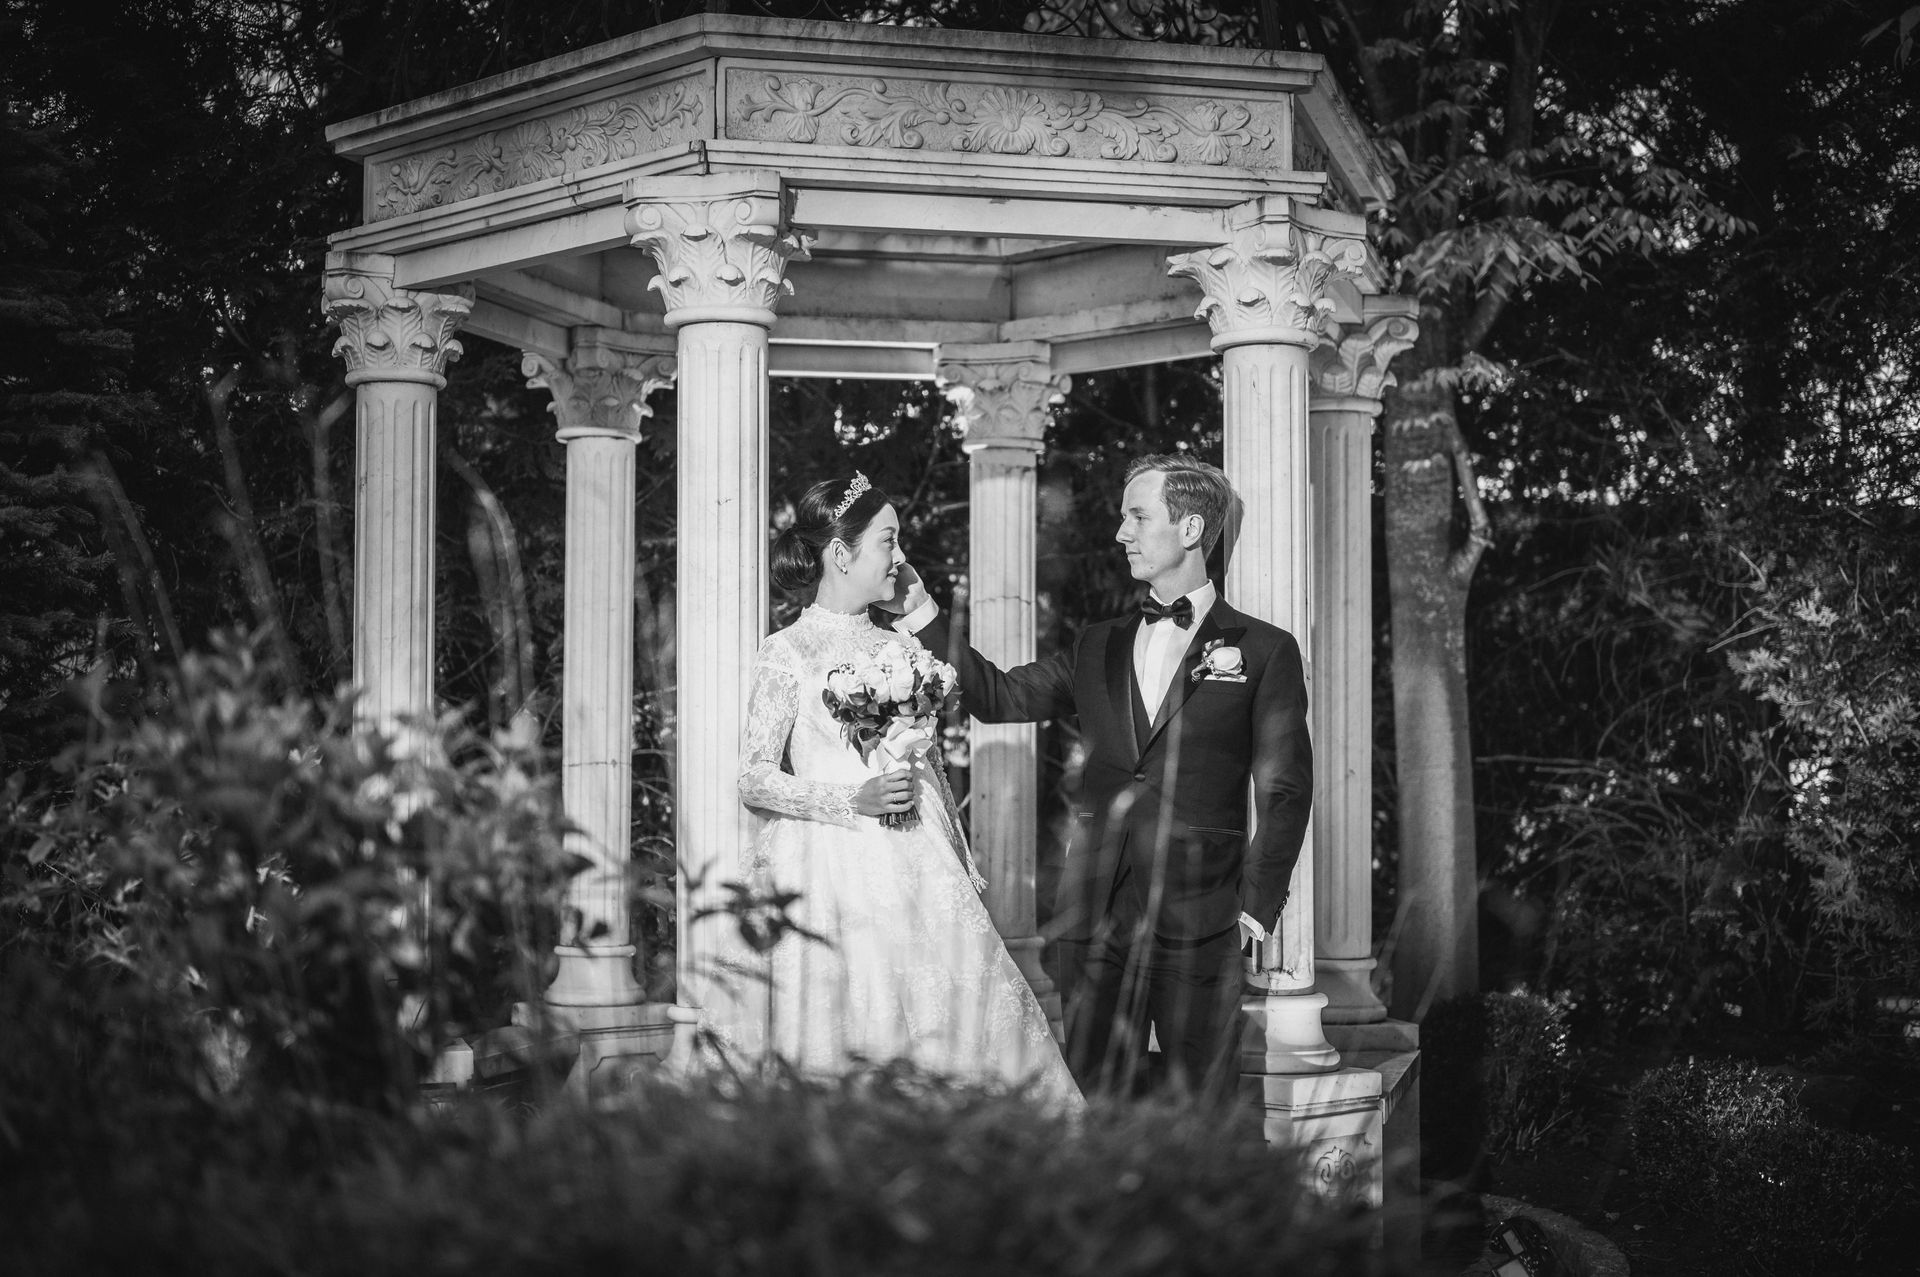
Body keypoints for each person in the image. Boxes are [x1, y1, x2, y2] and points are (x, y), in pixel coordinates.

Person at [884, 454, 1311, 1100]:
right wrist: (920, 612)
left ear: (1191, 528)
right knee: (1090, 1106)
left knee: (1207, 1113)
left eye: (1137, 516)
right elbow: (997, 695)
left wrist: (1253, 909)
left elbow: (1283, 787)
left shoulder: (1263, 649)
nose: (1121, 533)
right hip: (1093, 925)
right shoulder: (1097, 645)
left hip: (1203, 920)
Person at [737, 472, 1080, 1109]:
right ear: (840, 553)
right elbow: (753, 777)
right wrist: (849, 800)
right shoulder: (788, 650)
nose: (900, 556)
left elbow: (928, 767)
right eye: (888, 541)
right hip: (830, 869)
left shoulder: (903, 645)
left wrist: (959, 854)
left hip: (920, 861)